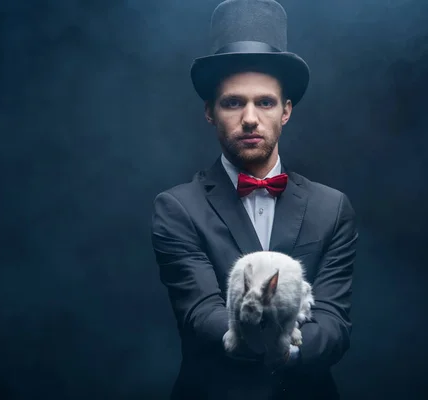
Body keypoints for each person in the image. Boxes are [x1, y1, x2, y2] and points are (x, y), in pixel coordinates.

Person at [151, 0, 358, 398]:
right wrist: (258, 342)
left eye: (264, 102)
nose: (250, 117)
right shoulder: (177, 208)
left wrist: (289, 354)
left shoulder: (332, 209)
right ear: (210, 112)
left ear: (286, 111)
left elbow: (333, 321)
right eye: (233, 102)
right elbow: (200, 312)